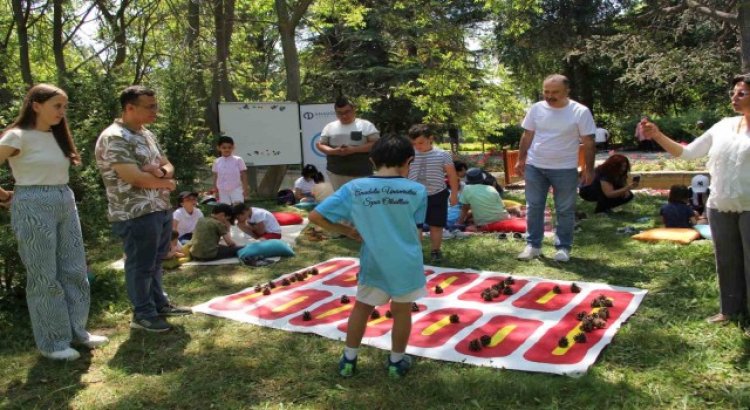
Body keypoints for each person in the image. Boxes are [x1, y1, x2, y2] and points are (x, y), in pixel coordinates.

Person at [0, 84, 107, 360]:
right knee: (44, 275)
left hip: (64, 199)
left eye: (64, 106)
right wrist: (2, 195)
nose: (62, 112)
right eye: (57, 106)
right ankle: (52, 342)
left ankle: (77, 332)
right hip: (33, 202)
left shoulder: (57, 136)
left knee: (73, 269)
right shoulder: (17, 136)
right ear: (36, 105)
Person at [309, 135, 428, 379]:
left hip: (373, 261)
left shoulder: (354, 188)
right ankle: (396, 362)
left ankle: (349, 360)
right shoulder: (417, 190)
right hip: (406, 263)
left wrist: (348, 231)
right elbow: (417, 230)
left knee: (362, 308)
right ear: (409, 161)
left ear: (372, 160)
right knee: (402, 311)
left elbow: (316, 216)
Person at [640, 73, 750, 330]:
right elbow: (687, 153)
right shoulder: (724, 124)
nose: (734, 97)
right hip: (720, 203)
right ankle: (730, 311)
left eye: (741, 93)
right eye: (733, 92)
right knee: (726, 260)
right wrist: (657, 135)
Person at [96, 85, 191, 333]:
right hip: (134, 212)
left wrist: (159, 173)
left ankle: (159, 304)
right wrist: (166, 182)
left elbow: (167, 164)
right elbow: (133, 177)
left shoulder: (146, 134)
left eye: (155, 105)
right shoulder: (114, 136)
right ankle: (143, 314)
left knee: (156, 261)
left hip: (159, 207)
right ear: (129, 108)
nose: (155, 111)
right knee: (141, 264)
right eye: (150, 107)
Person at [515, 74, 596, 262]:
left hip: (565, 168)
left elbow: (589, 143)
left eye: (555, 92)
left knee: (565, 209)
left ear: (567, 91)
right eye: (546, 92)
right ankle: (533, 245)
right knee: (534, 206)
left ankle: (563, 248)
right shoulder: (536, 109)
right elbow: (527, 135)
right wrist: (521, 159)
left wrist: (589, 169)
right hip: (535, 166)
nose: (549, 96)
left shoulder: (580, 111)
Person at [407, 124, 459, 263]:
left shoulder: (442, 155)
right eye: (414, 143)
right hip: (414, 196)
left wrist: (454, 194)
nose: (418, 146)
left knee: (436, 225)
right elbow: (403, 172)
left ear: (431, 139)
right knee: (415, 226)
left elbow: (452, 175)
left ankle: (435, 250)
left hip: (437, 194)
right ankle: (416, 253)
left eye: (421, 142)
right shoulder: (409, 154)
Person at [315, 97, 380, 190]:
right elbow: (321, 144)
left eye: (347, 112)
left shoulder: (366, 125)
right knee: (341, 201)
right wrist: (334, 151)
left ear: (354, 110)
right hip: (336, 173)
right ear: (336, 113)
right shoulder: (329, 127)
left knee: (361, 201)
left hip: (362, 173)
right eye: (340, 113)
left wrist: (354, 150)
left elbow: (376, 143)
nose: (344, 116)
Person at [212, 136, 249, 205]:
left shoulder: (238, 160)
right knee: (225, 210)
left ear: (233, 148)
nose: (227, 150)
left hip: (236, 189)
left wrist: (245, 189)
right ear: (219, 148)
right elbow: (215, 176)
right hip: (222, 190)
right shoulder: (216, 161)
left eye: (229, 147)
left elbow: (244, 175)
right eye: (224, 147)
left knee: (238, 209)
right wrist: (215, 189)